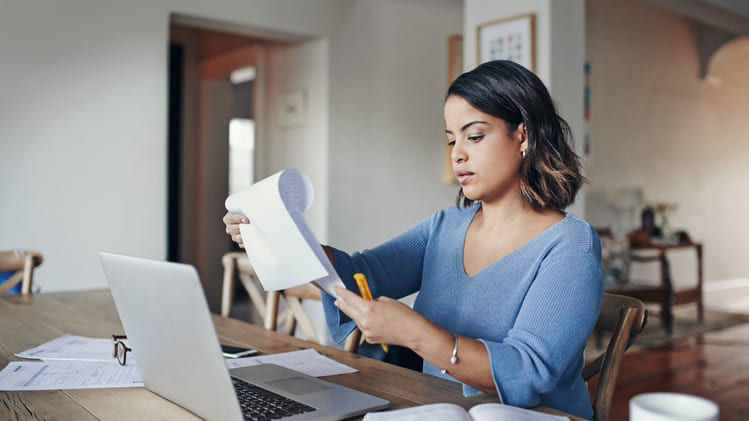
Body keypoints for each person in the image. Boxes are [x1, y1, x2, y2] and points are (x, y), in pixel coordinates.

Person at [223, 60, 602, 419]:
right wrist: (281, 237)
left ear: (523, 135)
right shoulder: (446, 227)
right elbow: (363, 273)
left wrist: (415, 333)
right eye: (452, 140)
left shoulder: (570, 245)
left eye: (475, 136)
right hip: (436, 409)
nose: (459, 154)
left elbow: (529, 371)